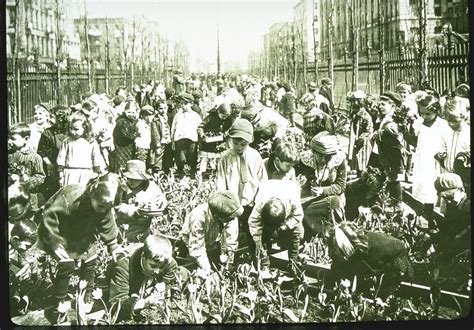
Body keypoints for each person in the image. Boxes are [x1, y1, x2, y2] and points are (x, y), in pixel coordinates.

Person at [37, 173, 126, 319]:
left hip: (83, 231)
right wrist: (54, 243)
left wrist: (113, 245)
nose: (103, 209)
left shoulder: (104, 204)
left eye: (108, 206)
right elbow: (49, 218)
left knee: (91, 258)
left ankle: (87, 294)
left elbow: (106, 222)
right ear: (92, 194)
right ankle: (58, 304)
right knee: (67, 264)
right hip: (57, 231)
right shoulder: (71, 197)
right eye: (101, 205)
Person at [109, 234, 190, 321]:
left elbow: (173, 268)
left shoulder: (164, 259)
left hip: (146, 280)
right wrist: (143, 303)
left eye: (161, 267)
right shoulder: (123, 266)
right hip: (125, 281)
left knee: (183, 273)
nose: (157, 270)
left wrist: (163, 283)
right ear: (143, 256)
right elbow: (117, 303)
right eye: (153, 266)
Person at [217, 119, 268, 253]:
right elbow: (221, 181)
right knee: (230, 233)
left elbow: (263, 181)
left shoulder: (255, 157)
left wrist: (259, 200)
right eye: (235, 143)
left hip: (250, 202)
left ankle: (254, 256)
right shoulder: (225, 158)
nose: (239, 147)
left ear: (249, 142)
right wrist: (224, 203)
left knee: (252, 231)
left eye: (243, 144)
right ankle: (229, 258)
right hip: (232, 204)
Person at [328, 221, 414, 297]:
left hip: (396, 259)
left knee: (379, 296)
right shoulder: (353, 243)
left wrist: (381, 296)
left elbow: (375, 271)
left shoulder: (371, 249)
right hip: (370, 258)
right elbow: (339, 263)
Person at [405, 94, 450, 227]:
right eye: (422, 113)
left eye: (428, 113)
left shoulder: (442, 125)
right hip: (423, 160)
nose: (424, 116)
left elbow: (447, 144)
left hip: (436, 162)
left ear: (436, 111)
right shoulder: (419, 123)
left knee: (438, 190)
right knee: (426, 190)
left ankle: (446, 220)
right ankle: (430, 218)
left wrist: (442, 155)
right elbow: (416, 142)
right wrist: (405, 133)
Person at [178, 191, 244, 273]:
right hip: (192, 241)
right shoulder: (198, 217)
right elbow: (197, 248)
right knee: (197, 268)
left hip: (213, 241)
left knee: (218, 262)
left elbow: (231, 239)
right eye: (230, 218)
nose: (233, 219)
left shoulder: (229, 213)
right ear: (217, 216)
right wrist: (207, 269)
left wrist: (229, 263)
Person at [248, 180, 304, 274]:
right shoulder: (260, 204)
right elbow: (254, 224)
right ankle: (264, 262)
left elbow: (298, 216)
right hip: (267, 187)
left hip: (289, 189)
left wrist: (286, 226)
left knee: (296, 232)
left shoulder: (293, 199)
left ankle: (294, 261)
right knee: (263, 234)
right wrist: (259, 244)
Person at [299, 132, 347, 237]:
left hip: (331, 196)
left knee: (336, 202)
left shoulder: (339, 160)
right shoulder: (304, 160)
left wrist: (323, 190)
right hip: (308, 198)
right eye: (320, 156)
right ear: (313, 152)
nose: (324, 160)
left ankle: (334, 235)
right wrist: (301, 183)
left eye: (328, 157)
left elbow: (341, 186)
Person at [115, 160, 167, 243]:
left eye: (134, 179)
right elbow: (117, 206)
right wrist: (133, 209)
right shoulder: (121, 187)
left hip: (144, 224)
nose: (130, 181)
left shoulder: (153, 188)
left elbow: (162, 203)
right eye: (129, 178)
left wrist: (155, 206)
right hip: (125, 222)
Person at [56, 112, 106, 187]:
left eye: (76, 129)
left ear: (85, 127)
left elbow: (96, 159)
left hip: (86, 175)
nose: (72, 132)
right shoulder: (67, 141)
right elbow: (61, 158)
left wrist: (97, 172)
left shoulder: (91, 142)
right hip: (70, 175)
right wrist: (61, 175)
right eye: (71, 128)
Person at [432, 173, 470, 263]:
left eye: (450, 196)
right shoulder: (450, 206)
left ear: (460, 190)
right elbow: (448, 228)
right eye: (444, 198)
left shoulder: (468, 206)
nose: (447, 201)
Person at [8, 123, 46, 212]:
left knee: (27, 219)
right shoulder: (9, 154)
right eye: (8, 138)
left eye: (13, 139)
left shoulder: (35, 158)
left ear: (26, 139)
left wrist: (28, 180)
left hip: (29, 198)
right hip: (11, 197)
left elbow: (40, 177)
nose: (9, 141)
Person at [37, 106, 71, 200]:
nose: (48, 119)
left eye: (51, 117)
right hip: (53, 167)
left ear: (61, 118)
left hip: (70, 167)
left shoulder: (71, 132)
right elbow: (41, 151)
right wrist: (50, 165)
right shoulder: (48, 133)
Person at [197, 102, 237, 177]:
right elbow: (201, 127)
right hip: (208, 143)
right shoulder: (210, 117)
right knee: (205, 159)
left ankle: (218, 173)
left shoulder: (229, 120)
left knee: (219, 159)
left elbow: (231, 128)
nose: (224, 118)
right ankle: (201, 174)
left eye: (226, 116)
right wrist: (202, 135)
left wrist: (226, 134)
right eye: (223, 116)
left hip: (220, 143)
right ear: (218, 112)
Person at [171, 92, 202, 178]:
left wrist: (200, 141)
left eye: (185, 104)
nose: (183, 106)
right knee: (180, 159)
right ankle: (181, 173)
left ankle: (193, 174)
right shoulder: (178, 115)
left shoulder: (195, 116)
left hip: (191, 139)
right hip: (180, 139)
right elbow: (173, 128)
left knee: (192, 157)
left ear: (191, 104)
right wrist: (173, 140)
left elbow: (200, 127)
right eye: (181, 104)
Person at [347, 90, 374, 174]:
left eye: (356, 101)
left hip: (363, 142)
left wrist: (360, 139)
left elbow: (368, 130)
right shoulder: (354, 114)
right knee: (356, 161)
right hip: (356, 140)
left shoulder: (365, 116)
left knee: (362, 160)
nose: (354, 103)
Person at [110, 100, 139, 173]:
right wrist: (137, 133)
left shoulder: (130, 121)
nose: (131, 114)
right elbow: (128, 136)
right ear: (125, 111)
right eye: (129, 112)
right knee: (122, 167)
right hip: (122, 147)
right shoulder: (123, 121)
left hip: (127, 148)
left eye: (133, 112)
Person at [150, 100, 172, 174]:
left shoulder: (169, 117)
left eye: (165, 108)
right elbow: (155, 133)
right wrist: (157, 145)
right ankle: (157, 171)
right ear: (157, 109)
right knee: (158, 156)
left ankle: (167, 171)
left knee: (168, 156)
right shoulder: (155, 120)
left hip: (168, 141)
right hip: (161, 141)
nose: (163, 110)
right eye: (161, 108)